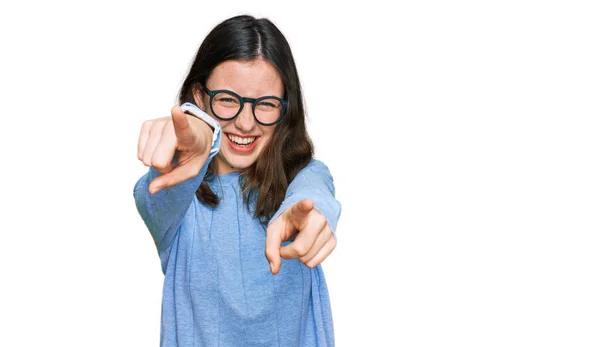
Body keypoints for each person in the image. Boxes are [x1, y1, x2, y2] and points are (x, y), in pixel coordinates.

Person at [134, 14, 342, 347]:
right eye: (228, 100)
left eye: (266, 104)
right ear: (199, 98)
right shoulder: (175, 195)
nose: (245, 123)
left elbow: (315, 185)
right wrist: (201, 135)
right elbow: (154, 194)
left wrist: (315, 210)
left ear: (285, 110)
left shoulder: (303, 180)